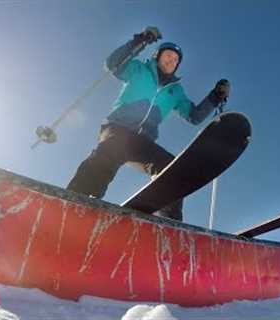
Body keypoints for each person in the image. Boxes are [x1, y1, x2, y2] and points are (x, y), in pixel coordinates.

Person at [67, 26, 230, 221]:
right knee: (112, 148)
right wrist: (140, 40)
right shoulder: (138, 69)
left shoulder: (175, 91)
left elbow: (194, 116)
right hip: (117, 128)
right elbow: (113, 64)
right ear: (158, 55)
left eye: (176, 60)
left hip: (143, 141)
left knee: (171, 169)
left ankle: (168, 222)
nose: (172, 61)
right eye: (169, 55)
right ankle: (79, 199)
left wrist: (215, 97)